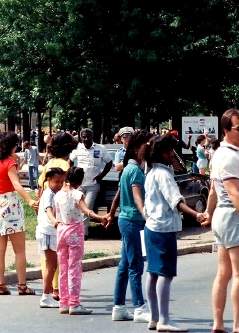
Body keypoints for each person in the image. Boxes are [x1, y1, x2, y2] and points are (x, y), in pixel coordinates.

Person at [143, 134, 206, 332]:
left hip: (151, 226)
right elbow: (176, 201)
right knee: (165, 273)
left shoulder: (151, 171)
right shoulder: (163, 174)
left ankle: (154, 317)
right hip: (164, 228)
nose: (172, 154)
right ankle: (164, 319)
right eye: (169, 151)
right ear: (160, 153)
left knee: (153, 272)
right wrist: (197, 215)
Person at [203, 109, 239, 333]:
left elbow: (213, 190)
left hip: (222, 217)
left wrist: (208, 213)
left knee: (223, 274)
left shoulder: (219, 154)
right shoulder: (231, 156)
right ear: (225, 130)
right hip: (235, 216)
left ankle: (218, 324)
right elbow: (233, 193)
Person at [0, 131, 39, 295]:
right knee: (19, 250)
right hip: (9, 204)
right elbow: (17, 185)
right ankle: (22, 286)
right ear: (11, 146)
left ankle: (1, 285)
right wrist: (30, 200)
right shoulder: (9, 163)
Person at [48, 166, 109, 315]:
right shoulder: (77, 194)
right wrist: (100, 217)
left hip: (61, 230)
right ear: (80, 180)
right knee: (74, 268)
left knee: (63, 267)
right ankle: (74, 303)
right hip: (74, 231)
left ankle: (64, 302)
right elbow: (86, 210)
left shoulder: (58, 195)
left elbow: (56, 212)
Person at [107, 129, 153, 323]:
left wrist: (110, 213)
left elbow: (118, 195)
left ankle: (118, 307)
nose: (150, 148)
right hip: (133, 221)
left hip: (125, 220)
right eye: (147, 146)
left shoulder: (128, 168)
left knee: (125, 265)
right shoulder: (134, 170)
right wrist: (147, 216)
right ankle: (139, 307)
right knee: (135, 266)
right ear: (136, 148)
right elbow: (136, 197)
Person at [69, 128, 112, 237]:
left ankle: (83, 234)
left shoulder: (100, 148)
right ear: (81, 138)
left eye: (88, 136)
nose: (86, 139)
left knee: (87, 208)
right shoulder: (77, 149)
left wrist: (101, 176)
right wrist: (72, 176)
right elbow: (70, 161)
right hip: (79, 185)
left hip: (93, 185)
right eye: (84, 137)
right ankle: (76, 231)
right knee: (76, 208)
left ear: (92, 137)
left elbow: (109, 162)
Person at [36, 167, 65, 308]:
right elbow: (48, 209)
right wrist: (54, 220)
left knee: (53, 265)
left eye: (61, 182)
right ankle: (46, 296)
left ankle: (47, 295)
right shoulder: (49, 194)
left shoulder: (55, 193)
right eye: (56, 181)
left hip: (52, 232)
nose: (59, 184)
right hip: (47, 232)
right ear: (48, 180)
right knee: (51, 265)